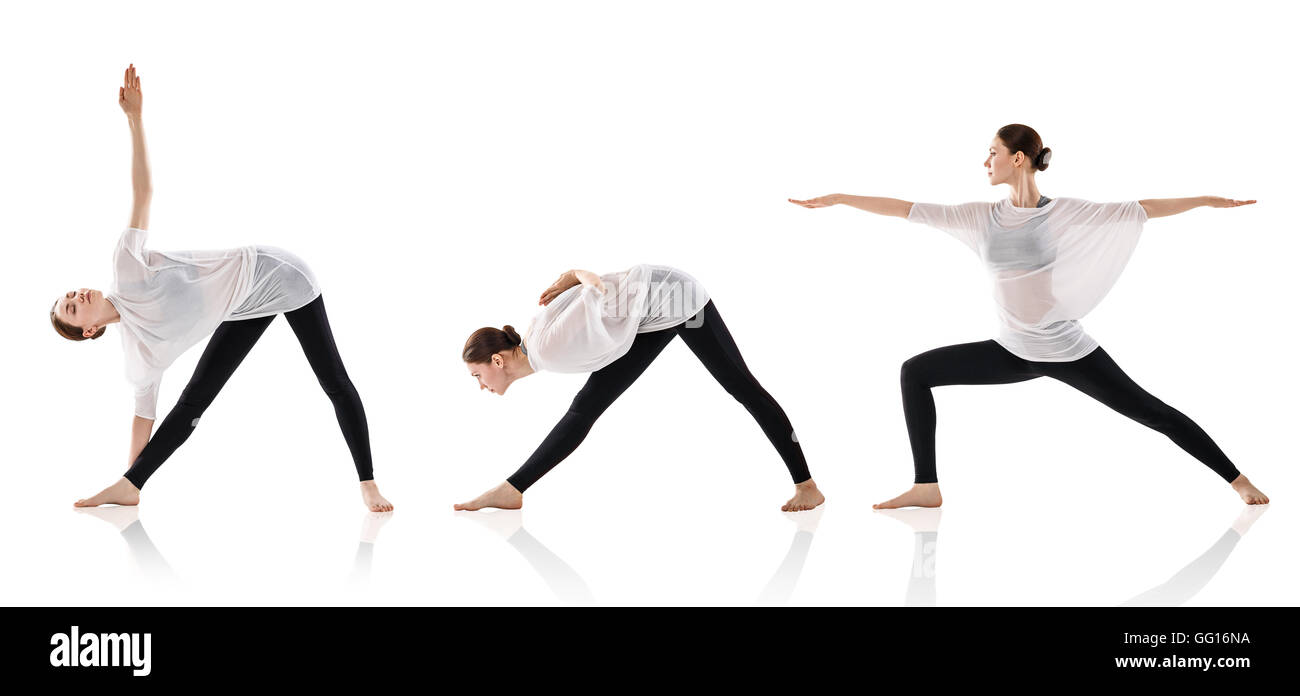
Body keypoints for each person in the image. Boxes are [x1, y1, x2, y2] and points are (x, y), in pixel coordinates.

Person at [790, 123, 1268, 509]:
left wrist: (1208, 201)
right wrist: (838, 198)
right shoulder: (981, 217)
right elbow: (904, 209)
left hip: (1067, 351)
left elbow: (1140, 209)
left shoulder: (1064, 213)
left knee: (1152, 413)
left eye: (992, 152)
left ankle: (1238, 479)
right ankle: (926, 487)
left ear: (1017, 158)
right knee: (915, 372)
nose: (986, 162)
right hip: (1012, 351)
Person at [53, 65, 393, 512]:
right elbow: (144, 418)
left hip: (276, 274)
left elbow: (143, 192)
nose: (78, 297)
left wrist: (135, 120)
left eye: (73, 295)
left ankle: (367, 482)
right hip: (242, 306)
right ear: (90, 332)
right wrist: (131, 473)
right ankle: (131, 487)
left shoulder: (126, 266)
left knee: (332, 378)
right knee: (195, 399)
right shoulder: (140, 356)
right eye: (73, 310)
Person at [456, 265, 824, 512]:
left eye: (477, 375)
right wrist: (578, 276)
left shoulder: (548, 350)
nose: (480, 385)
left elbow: (597, 293)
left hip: (677, 298)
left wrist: (579, 276)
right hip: (647, 312)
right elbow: (591, 294)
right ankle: (513, 489)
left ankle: (807, 486)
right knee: (585, 407)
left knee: (742, 387)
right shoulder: (540, 344)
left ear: (498, 361)